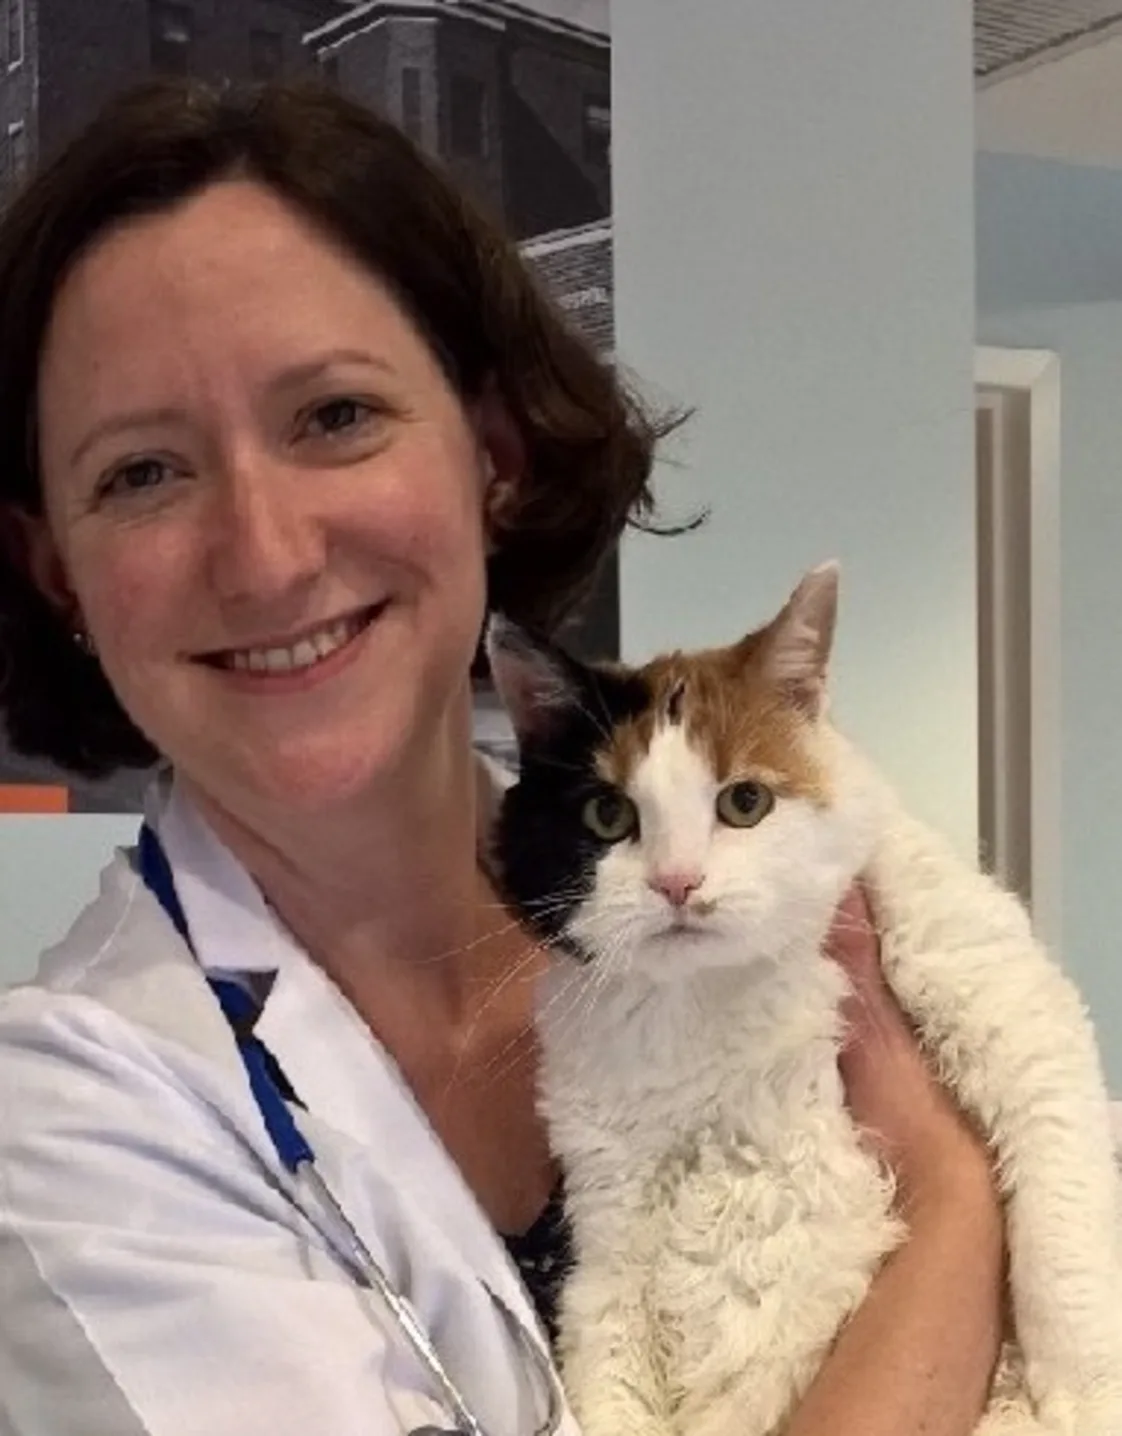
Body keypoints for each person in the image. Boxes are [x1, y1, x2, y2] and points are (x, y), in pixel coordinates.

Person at [0, 79, 1003, 1436]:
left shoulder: (775, 884)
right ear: (53, 566)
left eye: (334, 416)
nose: (266, 554)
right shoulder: (65, 1132)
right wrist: (948, 1210)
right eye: (142, 474)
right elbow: (969, 1187)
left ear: (491, 457)